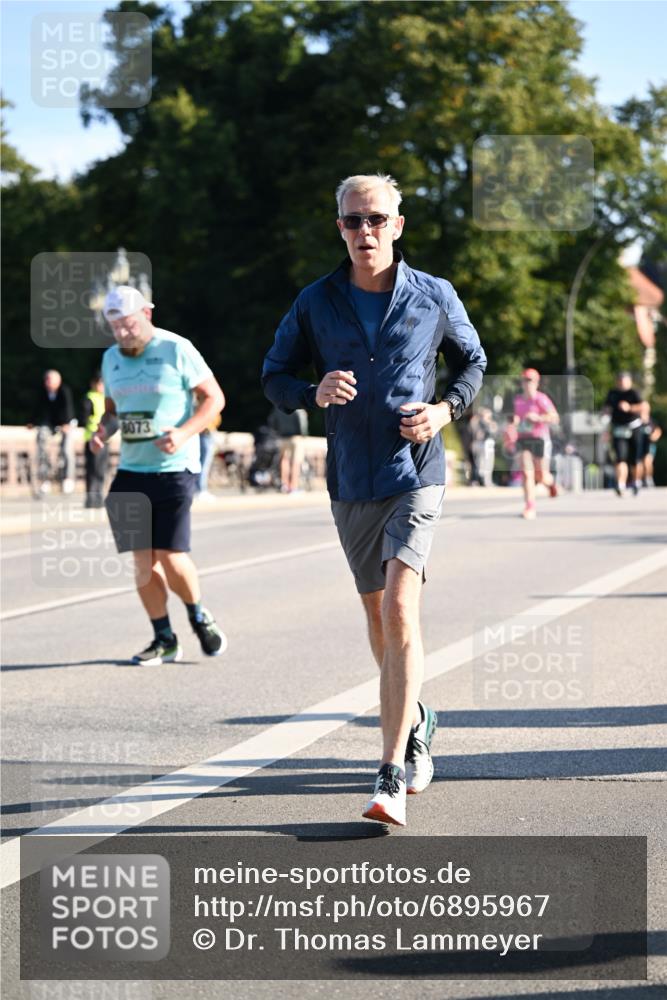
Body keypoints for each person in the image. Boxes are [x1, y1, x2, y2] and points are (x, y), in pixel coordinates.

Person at [262, 173, 486, 826]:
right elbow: (273, 375)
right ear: (339, 227)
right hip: (350, 480)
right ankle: (417, 716)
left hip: (415, 472)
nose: (366, 232)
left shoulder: (433, 295)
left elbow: (472, 362)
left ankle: (389, 770)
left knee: (397, 605)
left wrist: (444, 411)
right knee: (376, 618)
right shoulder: (315, 301)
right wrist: (312, 393)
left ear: (398, 224)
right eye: (353, 221)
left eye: (377, 219)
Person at [90, 285, 227, 665]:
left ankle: (198, 613)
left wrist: (184, 433)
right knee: (142, 561)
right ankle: (164, 637)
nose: (122, 334)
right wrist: (103, 431)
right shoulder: (111, 359)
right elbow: (114, 411)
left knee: (170, 554)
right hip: (131, 471)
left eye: (128, 325)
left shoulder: (176, 349)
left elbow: (214, 398)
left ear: (147, 315)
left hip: (173, 469)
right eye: (114, 327)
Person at [511, 369, 559, 520]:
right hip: (523, 439)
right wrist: (514, 423)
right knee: (526, 472)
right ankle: (530, 506)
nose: (527, 383)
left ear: (537, 383)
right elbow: (514, 419)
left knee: (541, 475)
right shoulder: (518, 400)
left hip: (539, 439)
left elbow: (555, 417)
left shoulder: (541, 399)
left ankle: (550, 483)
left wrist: (538, 418)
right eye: (525, 380)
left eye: (530, 380)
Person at [29, 369, 76, 495]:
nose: (47, 382)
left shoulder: (64, 391)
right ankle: (45, 479)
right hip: (50, 423)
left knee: (66, 448)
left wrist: (66, 424)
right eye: (46, 380)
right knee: (41, 442)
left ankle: (68, 478)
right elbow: (37, 408)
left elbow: (68, 408)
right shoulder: (43, 392)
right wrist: (31, 421)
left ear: (58, 381)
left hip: (66, 422)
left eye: (49, 380)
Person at [604, 372, 643, 496]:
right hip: (618, 428)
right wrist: (605, 416)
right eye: (620, 381)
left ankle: (636, 482)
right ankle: (621, 485)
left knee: (635, 459)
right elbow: (607, 408)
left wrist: (629, 408)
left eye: (624, 381)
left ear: (629, 381)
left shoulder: (634, 393)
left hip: (634, 427)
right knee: (620, 457)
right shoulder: (612, 393)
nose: (622, 383)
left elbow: (643, 407)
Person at [80, 371, 108, 507]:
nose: (101, 386)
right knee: (92, 469)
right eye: (99, 383)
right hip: (92, 438)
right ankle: (91, 498)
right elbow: (84, 418)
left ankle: (99, 497)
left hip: (104, 439)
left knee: (101, 469)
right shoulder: (89, 398)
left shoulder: (106, 398)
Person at [267, 405, 309, 493]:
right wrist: (304, 435)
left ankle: (284, 484)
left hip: (283, 438)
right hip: (296, 438)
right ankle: (293, 486)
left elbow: (272, 421)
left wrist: (278, 432)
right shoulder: (298, 408)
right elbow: (302, 424)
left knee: (284, 461)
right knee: (296, 462)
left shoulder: (278, 407)